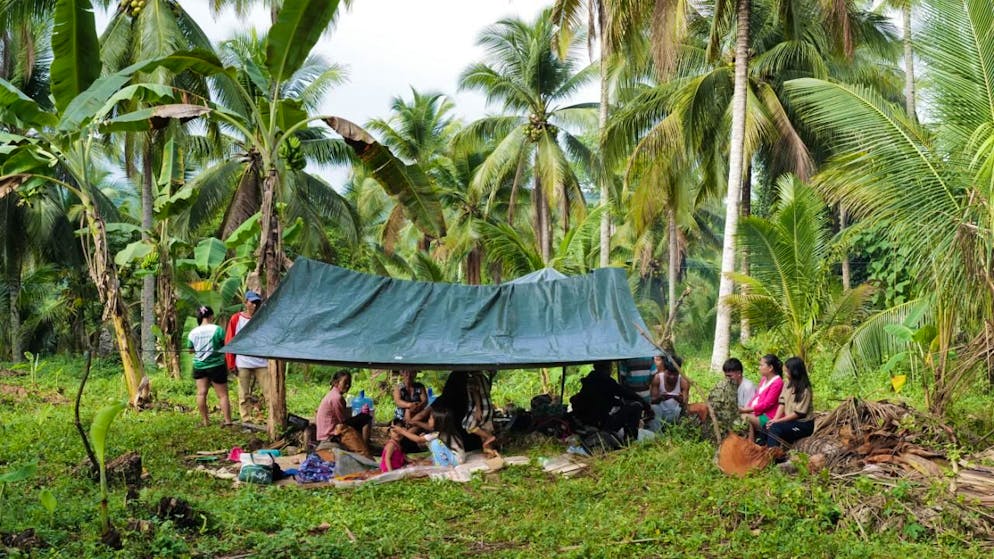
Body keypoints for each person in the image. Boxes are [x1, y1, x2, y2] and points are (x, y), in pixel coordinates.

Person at [570, 361, 653, 441]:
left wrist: (620, 403)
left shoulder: (590, 380)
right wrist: (645, 404)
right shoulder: (605, 380)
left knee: (625, 407)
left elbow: (603, 399)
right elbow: (625, 393)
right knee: (636, 406)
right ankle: (630, 440)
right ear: (608, 367)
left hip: (590, 420)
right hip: (601, 424)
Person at [225, 290, 271, 422]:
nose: (255, 306)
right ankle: (246, 419)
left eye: (257, 303)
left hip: (262, 363)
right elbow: (230, 341)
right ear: (245, 303)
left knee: (269, 393)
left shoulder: (264, 319)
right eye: (252, 303)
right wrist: (231, 363)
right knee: (244, 394)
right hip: (243, 362)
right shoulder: (236, 319)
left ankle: (272, 418)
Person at [187, 306, 232, 427]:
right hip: (216, 365)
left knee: (201, 393)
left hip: (199, 366)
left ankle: (205, 421)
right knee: (222, 395)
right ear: (211, 316)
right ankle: (228, 421)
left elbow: (190, 350)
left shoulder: (193, 332)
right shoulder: (217, 329)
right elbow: (225, 345)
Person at [315, 371, 373, 448]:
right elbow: (343, 422)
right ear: (336, 383)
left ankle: (364, 445)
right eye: (345, 382)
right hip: (329, 436)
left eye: (349, 383)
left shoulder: (332, 394)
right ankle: (365, 446)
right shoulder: (337, 398)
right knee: (365, 418)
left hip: (327, 434)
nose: (348, 385)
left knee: (363, 418)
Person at [393, 406, 465, 467]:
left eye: (430, 418)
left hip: (456, 460)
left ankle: (444, 465)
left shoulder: (437, 434)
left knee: (435, 443)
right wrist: (416, 423)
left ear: (438, 422)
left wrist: (402, 431)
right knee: (433, 445)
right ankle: (438, 462)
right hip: (458, 458)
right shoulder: (447, 431)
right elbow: (425, 433)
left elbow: (418, 440)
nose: (428, 420)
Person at [766, 357, 814, 448]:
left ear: (795, 372)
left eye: (786, 372)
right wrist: (774, 420)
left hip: (802, 425)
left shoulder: (805, 390)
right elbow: (782, 403)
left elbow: (798, 414)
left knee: (775, 428)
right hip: (790, 422)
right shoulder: (787, 384)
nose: (785, 374)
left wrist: (777, 421)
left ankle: (773, 456)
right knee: (766, 426)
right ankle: (760, 450)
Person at [740, 354, 784, 442]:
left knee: (745, 417)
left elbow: (767, 404)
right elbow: (756, 396)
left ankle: (750, 445)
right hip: (758, 412)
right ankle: (751, 442)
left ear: (770, 367)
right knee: (741, 416)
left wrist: (747, 410)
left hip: (768, 417)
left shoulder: (778, 383)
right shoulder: (764, 379)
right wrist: (747, 408)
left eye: (761, 365)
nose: (759, 367)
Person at [463, 370, 497, 456]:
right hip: (488, 407)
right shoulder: (484, 378)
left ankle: (490, 437)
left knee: (469, 426)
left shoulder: (472, 379)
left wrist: (478, 409)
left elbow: (475, 393)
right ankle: (490, 454)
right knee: (484, 429)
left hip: (480, 408)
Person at [649, 354, 689, 425]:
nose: (672, 377)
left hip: (676, 413)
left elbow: (685, 405)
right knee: (654, 408)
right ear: (664, 370)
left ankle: (678, 427)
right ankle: (657, 431)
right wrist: (660, 398)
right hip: (660, 413)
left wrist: (681, 400)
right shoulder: (657, 379)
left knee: (683, 410)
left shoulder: (683, 381)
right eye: (669, 374)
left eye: (675, 374)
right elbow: (651, 401)